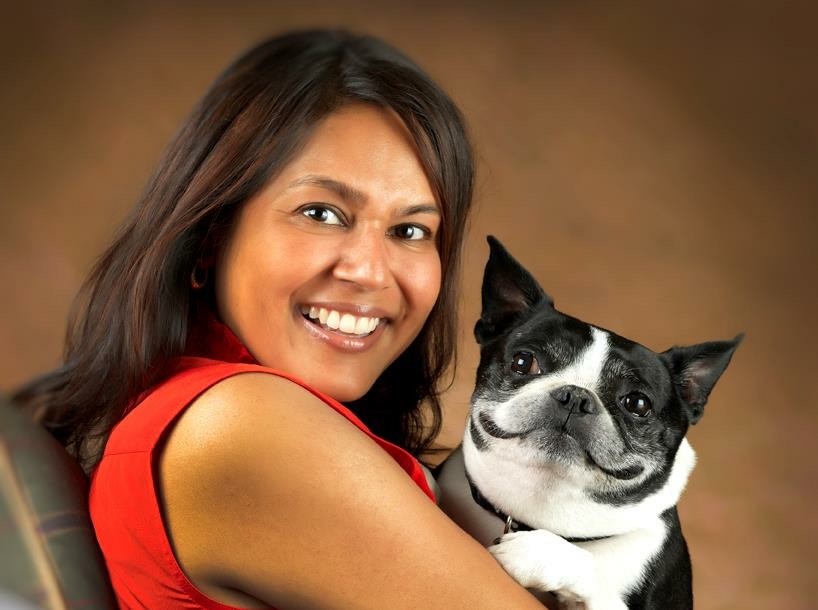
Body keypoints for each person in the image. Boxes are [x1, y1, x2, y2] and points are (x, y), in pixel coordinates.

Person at [15, 30, 545, 609]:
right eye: (321, 213)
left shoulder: (196, 413)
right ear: (211, 237)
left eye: (410, 230)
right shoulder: (242, 427)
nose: (369, 271)